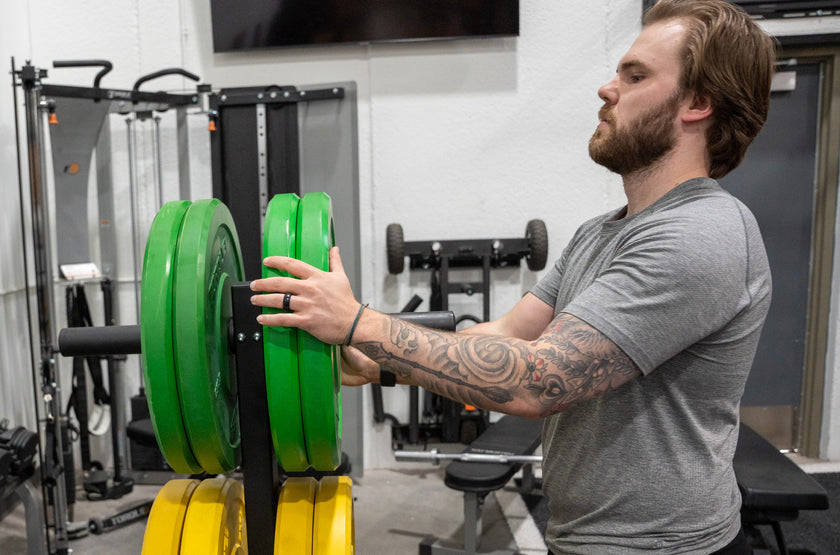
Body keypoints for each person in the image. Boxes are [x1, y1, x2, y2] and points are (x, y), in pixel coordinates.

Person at [250, 0, 777, 552]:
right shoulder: (602, 231)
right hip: (584, 535)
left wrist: (360, 324)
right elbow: (508, 335)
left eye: (635, 74)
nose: (607, 88)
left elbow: (538, 380)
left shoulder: (700, 234)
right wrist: (383, 364)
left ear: (697, 104)